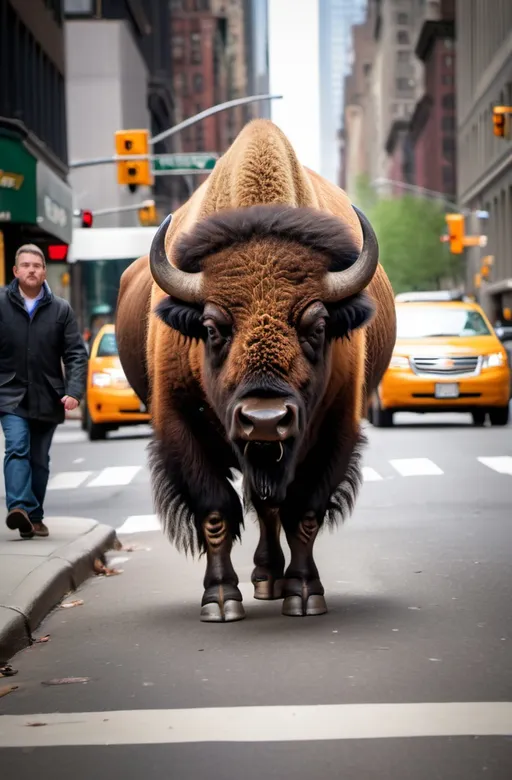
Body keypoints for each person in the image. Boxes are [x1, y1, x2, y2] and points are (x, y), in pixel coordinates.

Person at [0, 243, 88, 539]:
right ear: (15, 271)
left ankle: (33, 517)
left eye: (36, 266)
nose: (31, 270)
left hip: (48, 396)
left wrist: (74, 391)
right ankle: (19, 508)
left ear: (44, 271)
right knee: (16, 446)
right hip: (9, 394)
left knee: (39, 459)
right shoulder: (0, 303)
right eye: (25, 265)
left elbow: (76, 353)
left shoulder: (61, 309)